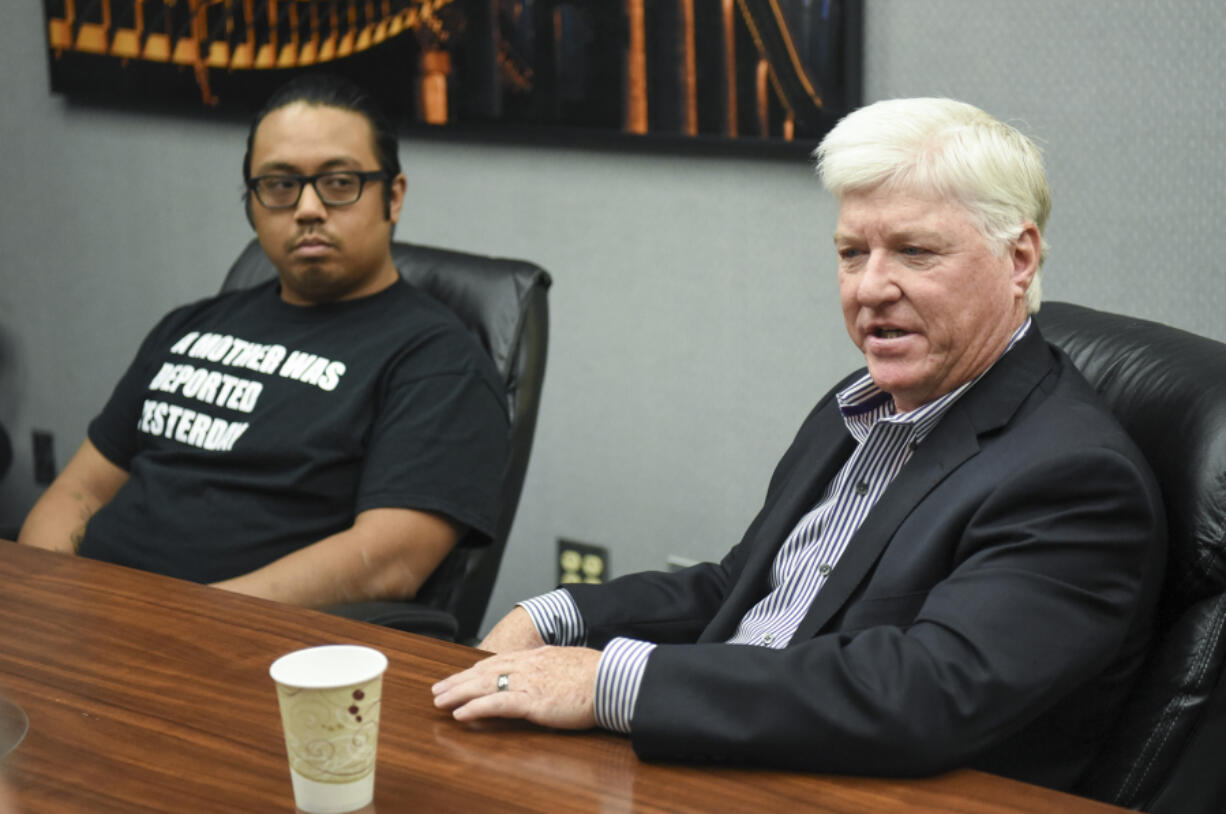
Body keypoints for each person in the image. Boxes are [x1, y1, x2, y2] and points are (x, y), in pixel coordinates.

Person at [432, 97, 1167, 793]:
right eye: (852, 253)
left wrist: (607, 684)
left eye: (913, 251)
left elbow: (920, 694)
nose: (870, 287)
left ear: (1020, 260)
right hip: (727, 759)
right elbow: (741, 588)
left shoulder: (1075, 478)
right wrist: (557, 616)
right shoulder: (859, 403)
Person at [17, 74, 509, 610]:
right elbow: (78, 491)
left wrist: (179, 622)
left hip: (245, 649)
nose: (308, 209)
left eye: (340, 182)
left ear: (392, 197)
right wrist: (45, 596)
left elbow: (388, 561)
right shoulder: (188, 326)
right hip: (87, 620)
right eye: (279, 186)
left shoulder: (438, 361)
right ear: (252, 205)